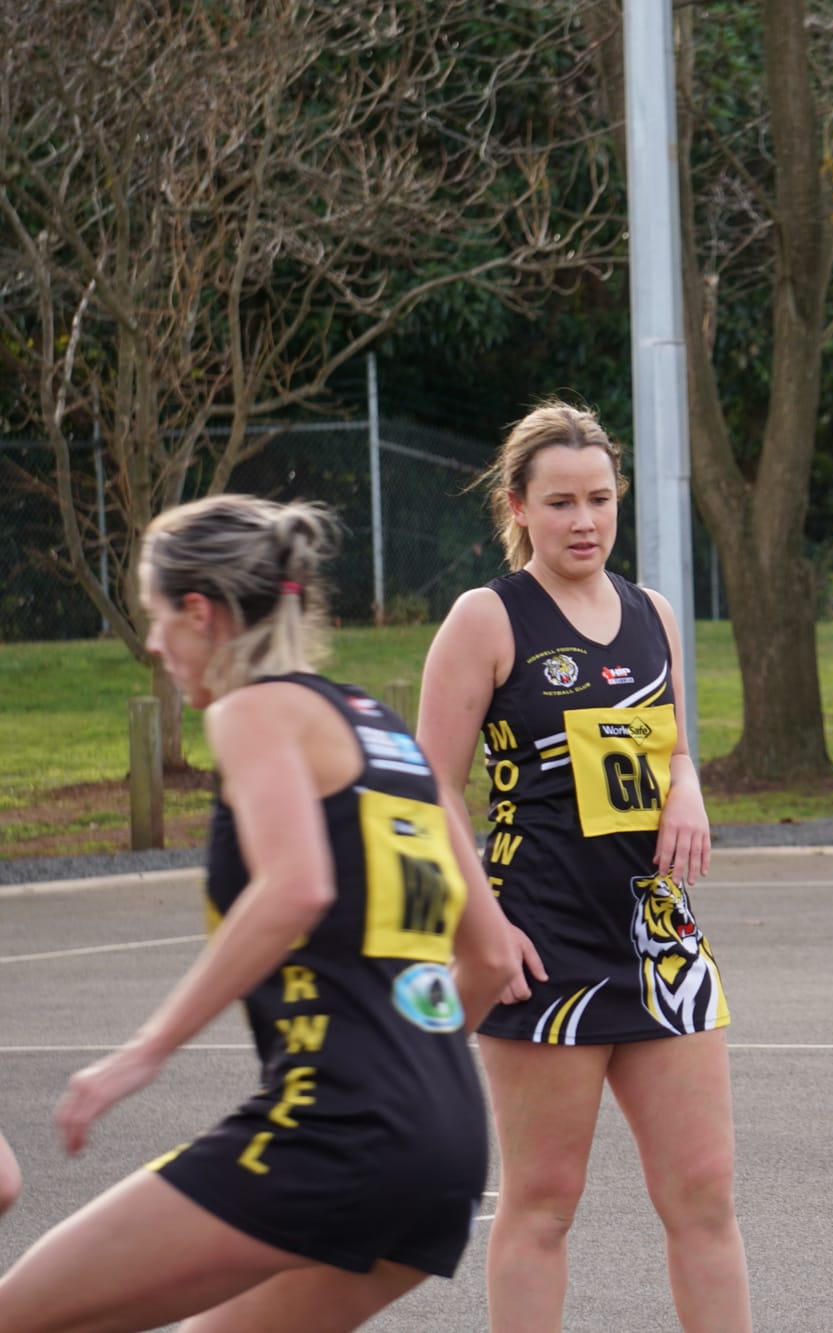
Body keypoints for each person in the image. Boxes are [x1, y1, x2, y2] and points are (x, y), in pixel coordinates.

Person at [0, 495, 515, 1332]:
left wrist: (144, 1051)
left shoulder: (254, 711)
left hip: (334, 1128)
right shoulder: (386, 735)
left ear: (200, 612)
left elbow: (297, 886)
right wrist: (406, 1064)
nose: (156, 643)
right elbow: (490, 956)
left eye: (156, 617)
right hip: (445, 1140)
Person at [418, 402, 750, 1333]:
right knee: (544, 1202)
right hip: (541, 936)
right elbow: (431, 789)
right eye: (560, 501)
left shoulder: (653, 614)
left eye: (599, 498)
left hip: (657, 936)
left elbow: (673, 749)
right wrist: (483, 925)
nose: (584, 520)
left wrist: (688, 785)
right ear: (518, 505)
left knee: (704, 1193)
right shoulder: (487, 617)